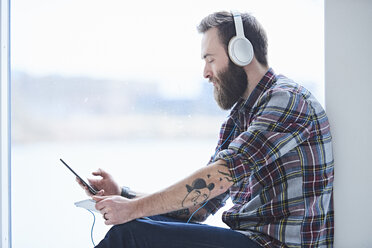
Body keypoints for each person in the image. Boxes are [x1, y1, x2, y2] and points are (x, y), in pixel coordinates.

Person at [77, 11, 334, 248]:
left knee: (128, 235)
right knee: (134, 226)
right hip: (248, 239)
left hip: (274, 244)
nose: (205, 73)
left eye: (210, 59)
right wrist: (123, 196)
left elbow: (221, 174)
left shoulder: (286, 100)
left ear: (240, 53)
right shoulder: (239, 118)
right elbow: (199, 206)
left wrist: (131, 209)